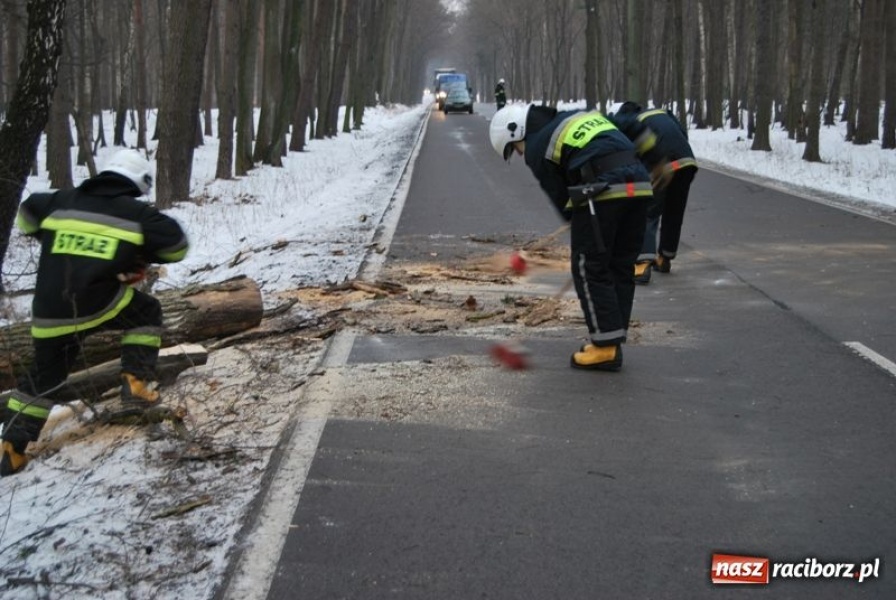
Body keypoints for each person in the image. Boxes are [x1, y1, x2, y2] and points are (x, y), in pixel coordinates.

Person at [0, 149, 189, 476]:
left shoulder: (60, 201)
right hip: (96, 304)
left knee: (43, 377)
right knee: (146, 311)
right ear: (138, 184)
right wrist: (138, 252)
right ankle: (136, 383)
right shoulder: (135, 213)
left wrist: (55, 237)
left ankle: (11, 449)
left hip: (47, 311)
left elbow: (27, 214)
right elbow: (177, 245)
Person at [489, 104, 652, 371]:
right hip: (640, 185)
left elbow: (561, 196)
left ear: (517, 132)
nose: (520, 154)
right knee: (620, 265)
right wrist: (651, 153)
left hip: (601, 188)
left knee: (588, 266)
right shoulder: (577, 117)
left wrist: (578, 224)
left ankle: (605, 348)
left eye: (515, 148)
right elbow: (633, 128)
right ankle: (611, 337)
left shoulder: (539, 145)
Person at [609, 102, 698, 284]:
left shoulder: (629, 122)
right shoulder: (663, 113)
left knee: (647, 212)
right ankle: (665, 258)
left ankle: (642, 266)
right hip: (686, 161)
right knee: (674, 210)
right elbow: (682, 134)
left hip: (662, 164)